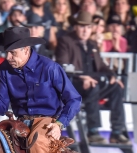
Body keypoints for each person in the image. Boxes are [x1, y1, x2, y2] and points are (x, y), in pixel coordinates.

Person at [55, 12, 129, 144]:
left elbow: (101, 65)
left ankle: (117, 132)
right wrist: (82, 77)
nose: (85, 30)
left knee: (116, 87)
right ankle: (93, 131)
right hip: (73, 83)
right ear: (76, 27)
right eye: (82, 26)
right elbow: (63, 67)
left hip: (93, 82)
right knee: (92, 88)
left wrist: (112, 76)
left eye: (88, 27)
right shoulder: (66, 41)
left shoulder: (92, 44)